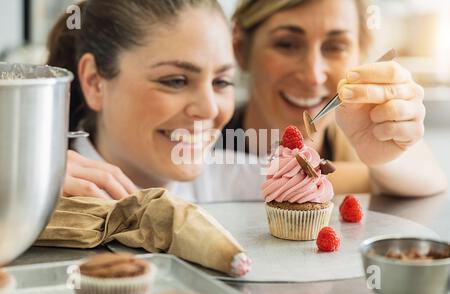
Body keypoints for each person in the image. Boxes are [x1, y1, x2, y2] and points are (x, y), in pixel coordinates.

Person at [224, 0, 447, 196]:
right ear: (241, 48)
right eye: (287, 44)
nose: (313, 75)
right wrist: (361, 179)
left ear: (361, 53)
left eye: (335, 47)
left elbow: (432, 180)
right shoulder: (203, 140)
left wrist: (386, 157)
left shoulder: (358, 143)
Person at [49, 0, 263, 203]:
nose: (209, 109)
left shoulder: (248, 186)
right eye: (176, 81)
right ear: (94, 82)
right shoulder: (33, 194)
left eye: (222, 82)